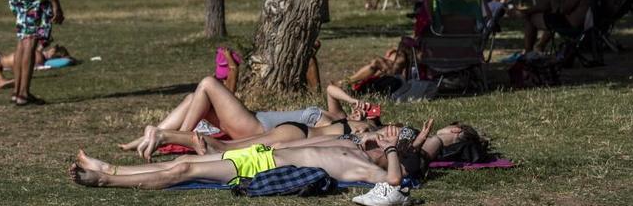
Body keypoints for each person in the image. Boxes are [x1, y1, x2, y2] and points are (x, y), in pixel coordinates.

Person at [69, 125, 405, 190]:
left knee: (183, 168)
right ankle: (110, 167)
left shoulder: (367, 169)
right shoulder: (357, 146)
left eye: (386, 145)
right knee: (176, 163)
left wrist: (391, 151)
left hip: (263, 168)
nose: (380, 142)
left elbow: (395, 178)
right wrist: (379, 136)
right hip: (262, 154)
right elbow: (362, 132)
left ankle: (105, 179)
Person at [119, 75, 374, 157]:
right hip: (252, 119)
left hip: (255, 127)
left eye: (362, 119)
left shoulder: (335, 125)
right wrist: (354, 101)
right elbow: (330, 89)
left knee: (208, 83)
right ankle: (142, 140)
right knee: (193, 100)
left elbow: (358, 129)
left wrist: (358, 121)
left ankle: (178, 137)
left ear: (361, 126)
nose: (358, 115)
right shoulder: (336, 114)